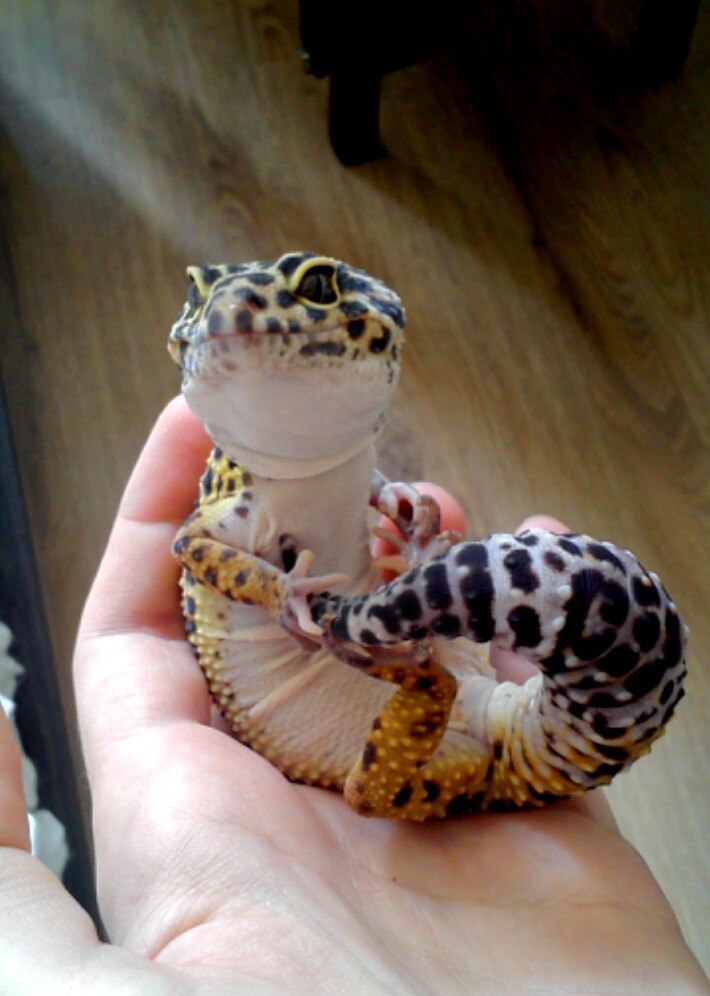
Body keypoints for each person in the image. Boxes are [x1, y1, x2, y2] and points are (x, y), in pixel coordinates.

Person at [0, 398, 704, 993]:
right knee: (395, 741)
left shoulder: (322, 479)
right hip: (475, 752)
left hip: (484, 727)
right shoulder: (247, 498)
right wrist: (406, 656)